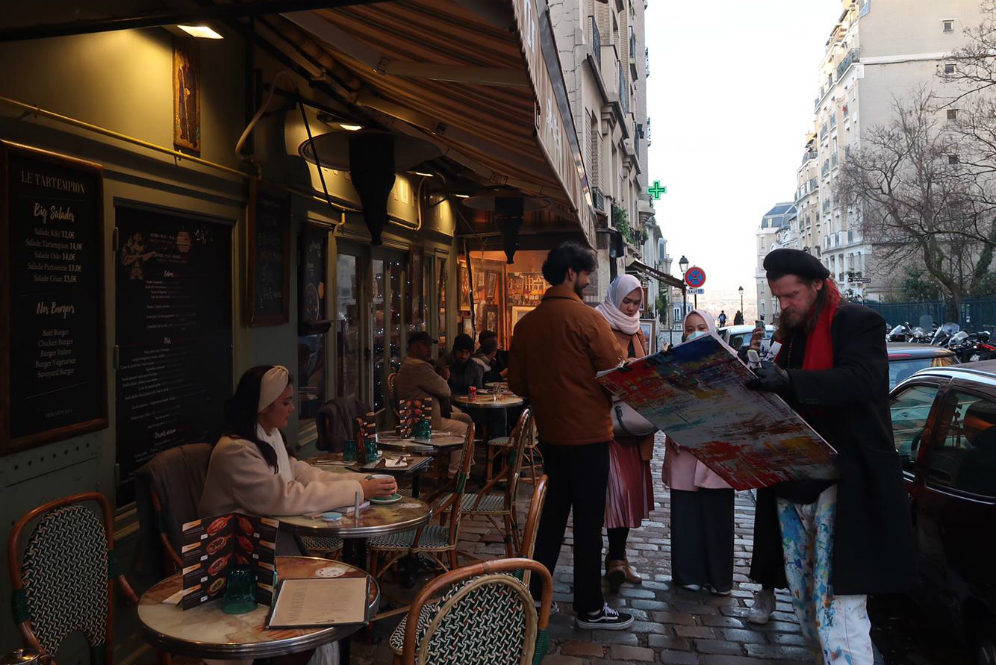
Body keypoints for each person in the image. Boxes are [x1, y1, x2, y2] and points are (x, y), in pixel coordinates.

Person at [744, 248, 915, 664]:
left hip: (846, 486)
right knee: (804, 599)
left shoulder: (859, 321)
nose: (784, 306)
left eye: (792, 296)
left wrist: (787, 380)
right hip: (795, 483)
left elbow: (861, 379)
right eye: (778, 298)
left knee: (839, 605)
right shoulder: (793, 333)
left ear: (818, 285)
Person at [508, 241, 632, 630]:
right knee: (588, 524)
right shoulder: (587, 319)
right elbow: (614, 374)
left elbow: (516, 382)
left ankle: (534, 595)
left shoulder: (527, 323)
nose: (589, 280)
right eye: (585, 273)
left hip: (551, 436)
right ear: (570, 274)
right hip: (590, 437)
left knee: (551, 519)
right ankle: (589, 608)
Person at [199, 365, 397, 550]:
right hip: (236, 548)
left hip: (265, 535)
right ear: (263, 406)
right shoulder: (236, 451)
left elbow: (302, 473)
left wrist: (361, 481)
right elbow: (285, 497)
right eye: (285, 402)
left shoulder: (267, 434)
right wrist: (358, 490)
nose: (292, 408)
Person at [662, 310, 735, 595]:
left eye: (701, 327)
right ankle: (687, 573)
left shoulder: (729, 358)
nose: (695, 332)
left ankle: (718, 578)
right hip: (684, 447)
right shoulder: (673, 361)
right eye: (690, 328)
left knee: (717, 516)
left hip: (717, 450)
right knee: (686, 516)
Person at [595, 275, 656, 593]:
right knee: (613, 496)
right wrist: (625, 369)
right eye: (627, 302)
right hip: (609, 426)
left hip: (636, 426)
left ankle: (618, 557)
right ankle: (610, 560)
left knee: (630, 495)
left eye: (636, 303)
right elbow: (594, 372)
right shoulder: (600, 323)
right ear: (614, 298)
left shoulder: (638, 330)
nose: (631, 308)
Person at [395, 332, 474, 477]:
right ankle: (456, 475)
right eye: (426, 346)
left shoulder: (409, 364)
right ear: (414, 347)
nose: (430, 350)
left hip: (421, 416)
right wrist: (444, 379)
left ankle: (466, 461)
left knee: (466, 418)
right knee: (465, 429)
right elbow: (445, 391)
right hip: (422, 422)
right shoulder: (418, 367)